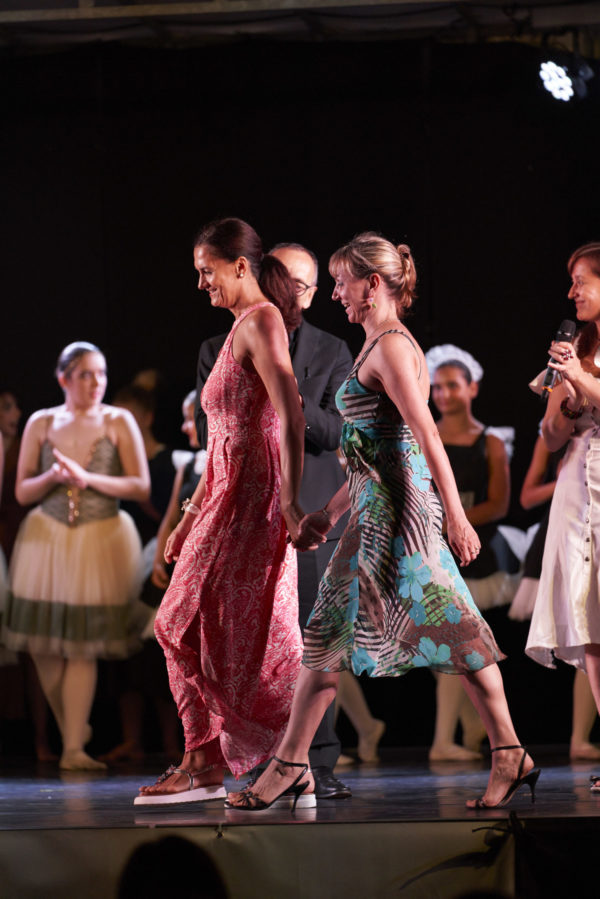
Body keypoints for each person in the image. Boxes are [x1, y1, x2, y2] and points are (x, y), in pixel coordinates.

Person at [226, 232, 537, 812]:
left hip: (402, 518)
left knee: (458, 632)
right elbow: (373, 451)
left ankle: (509, 752)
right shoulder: (373, 344)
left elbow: (425, 437)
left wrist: (456, 517)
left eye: (341, 283)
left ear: (373, 284)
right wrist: (329, 512)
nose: (335, 294)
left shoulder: (391, 347)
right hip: (372, 514)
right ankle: (291, 765)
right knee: (325, 638)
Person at [136, 218, 321, 805]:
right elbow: (221, 441)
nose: (201, 283)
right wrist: (187, 517)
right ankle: (219, 762)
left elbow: (291, 414)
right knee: (206, 632)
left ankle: (231, 762)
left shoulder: (262, 320)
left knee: (197, 628)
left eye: (206, 271)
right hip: (221, 500)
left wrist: (288, 501)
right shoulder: (241, 326)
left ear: (240, 266)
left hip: (249, 503)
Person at [194, 241, 356, 798]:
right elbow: (215, 436)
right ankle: (253, 758)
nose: (292, 290)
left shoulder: (333, 348)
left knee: (311, 636)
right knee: (244, 638)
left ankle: (316, 762)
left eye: (304, 284)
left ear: (310, 294)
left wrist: (285, 398)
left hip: (311, 511)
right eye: (284, 276)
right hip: (242, 510)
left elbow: (340, 430)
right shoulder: (218, 345)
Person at [2, 342, 150, 770]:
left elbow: (139, 485)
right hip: (47, 539)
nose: (95, 383)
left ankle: (72, 749)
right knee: (42, 644)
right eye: (86, 374)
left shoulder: (117, 420)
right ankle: (72, 726)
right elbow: (21, 491)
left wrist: (88, 478)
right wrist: (53, 474)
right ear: (63, 378)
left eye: (100, 374)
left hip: (99, 538)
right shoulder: (42, 421)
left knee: (84, 644)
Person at [525, 242, 600, 790]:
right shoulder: (576, 347)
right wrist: (569, 397)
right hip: (576, 490)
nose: (572, 292)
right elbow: (552, 437)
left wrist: (582, 377)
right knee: (587, 619)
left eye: (582, 280)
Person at [425, 345, 515, 762]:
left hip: (470, 551)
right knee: (447, 645)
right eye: (437, 387)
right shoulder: (424, 435)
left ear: (472, 387)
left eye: (452, 386)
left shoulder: (490, 441)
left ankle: (449, 738)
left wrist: (454, 523)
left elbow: (498, 504)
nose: (443, 394)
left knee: (458, 642)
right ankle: (467, 727)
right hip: (429, 547)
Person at [510, 432, 599, 761]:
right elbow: (527, 496)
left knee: (591, 631)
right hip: (568, 526)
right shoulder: (557, 434)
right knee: (585, 630)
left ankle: (581, 737)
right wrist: (567, 476)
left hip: (589, 523)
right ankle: (579, 737)